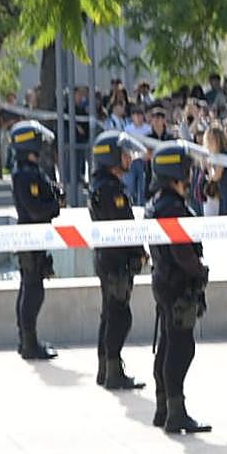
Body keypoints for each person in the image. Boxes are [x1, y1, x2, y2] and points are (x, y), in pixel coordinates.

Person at [146, 141, 212, 434]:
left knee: (167, 344)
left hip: (164, 282)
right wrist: (199, 270)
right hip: (177, 285)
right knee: (181, 348)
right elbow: (182, 252)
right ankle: (176, 412)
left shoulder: (158, 202)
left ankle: (163, 407)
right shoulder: (171, 208)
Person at [88, 130, 149, 390]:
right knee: (119, 316)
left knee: (109, 314)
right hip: (115, 262)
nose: (128, 159)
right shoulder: (111, 190)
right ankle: (113, 372)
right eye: (124, 154)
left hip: (107, 259)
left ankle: (105, 369)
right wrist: (139, 252)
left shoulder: (101, 185)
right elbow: (125, 228)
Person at [9, 120, 61, 360]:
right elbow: (36, 210)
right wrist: (55, 206)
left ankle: (27, 341)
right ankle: (29, 343)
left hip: (35, 238)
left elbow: (48, 192)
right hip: (30, 237)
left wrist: (54, 194)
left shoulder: (31, 170)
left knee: (30, 287)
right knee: (32, 290)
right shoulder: (25, 174)